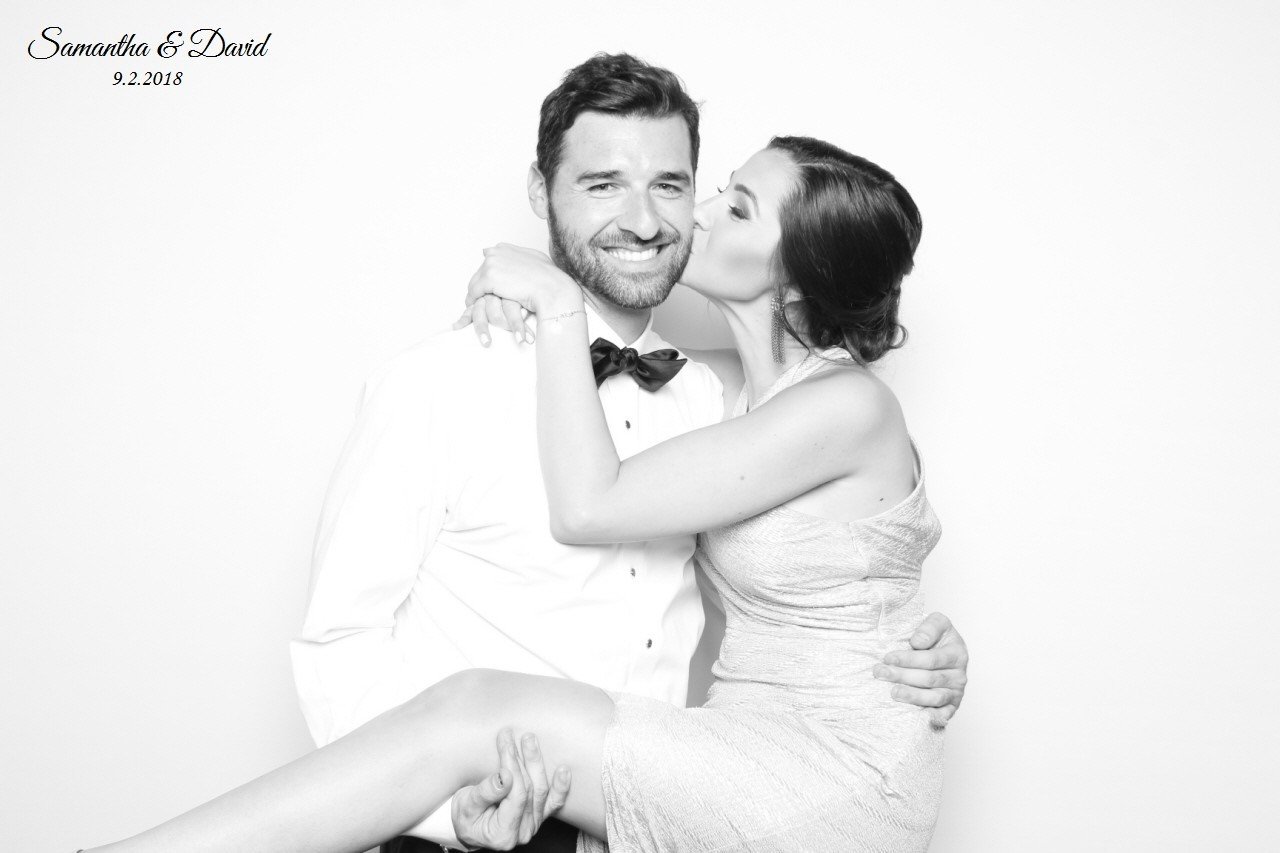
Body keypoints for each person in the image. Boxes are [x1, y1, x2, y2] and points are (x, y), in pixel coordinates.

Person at [81, 54, 964, 853]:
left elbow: (606, 508)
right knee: (471, 709)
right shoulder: (447, 381)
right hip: (472, 822)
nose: (665, 218)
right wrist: (438, 816)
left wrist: (905, 648)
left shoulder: (726, 402)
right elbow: (339, 637)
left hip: (753, 784)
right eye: (604, 184)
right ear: (540, 195)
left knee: (477, 703)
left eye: (691, 189)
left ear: (800, 264)